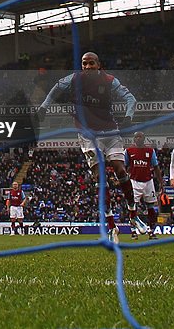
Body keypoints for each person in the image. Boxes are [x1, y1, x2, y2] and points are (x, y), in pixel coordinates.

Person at [39, 51, 140, 243]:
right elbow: (56, 87)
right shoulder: (75, 79)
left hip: (110, 131)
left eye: (91, 63)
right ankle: (112, 225)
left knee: (120, 169)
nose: (87, 67)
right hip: (87, 135)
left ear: (99, 65)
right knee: (100, 176)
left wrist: (128, 118)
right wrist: (44, 106)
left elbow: (131, 99)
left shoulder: (110, 81)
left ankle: (133, 214)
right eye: (84, 63)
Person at [125, 131, 162, 240]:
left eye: (140, 136)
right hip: (134, 182)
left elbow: (156, 167)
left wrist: (160, 182)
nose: (138, 138)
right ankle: (133, 231)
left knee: (150, 207)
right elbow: (124, 166)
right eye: (136, 137)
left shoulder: (150, 151)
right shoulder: (129, 151)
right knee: (132, 207)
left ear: (144, 138)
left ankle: (151, 231)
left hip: (148, 182)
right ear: (134, 139)